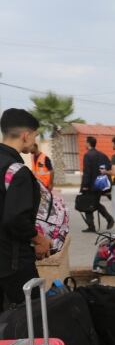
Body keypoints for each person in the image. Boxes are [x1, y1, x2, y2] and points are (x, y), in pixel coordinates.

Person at [0, 109, 49, 308]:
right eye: (35, 135)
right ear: (26, 135)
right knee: (33, 320)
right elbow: (15, 218)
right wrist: (39, 240)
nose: (34, 140)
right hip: (13, 264)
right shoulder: (17, 171)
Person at [80, 136, 114, 232]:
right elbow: (109, 166)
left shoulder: (88, 155)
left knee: (88, 204)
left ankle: (100, 222)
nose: (84, 144)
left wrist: (85, 186)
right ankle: (105, 220)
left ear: (88, 143)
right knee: (94, 203)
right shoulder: (102, 155)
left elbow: (87, 172)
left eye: (85, 142)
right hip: (100, 184)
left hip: (90, 185)